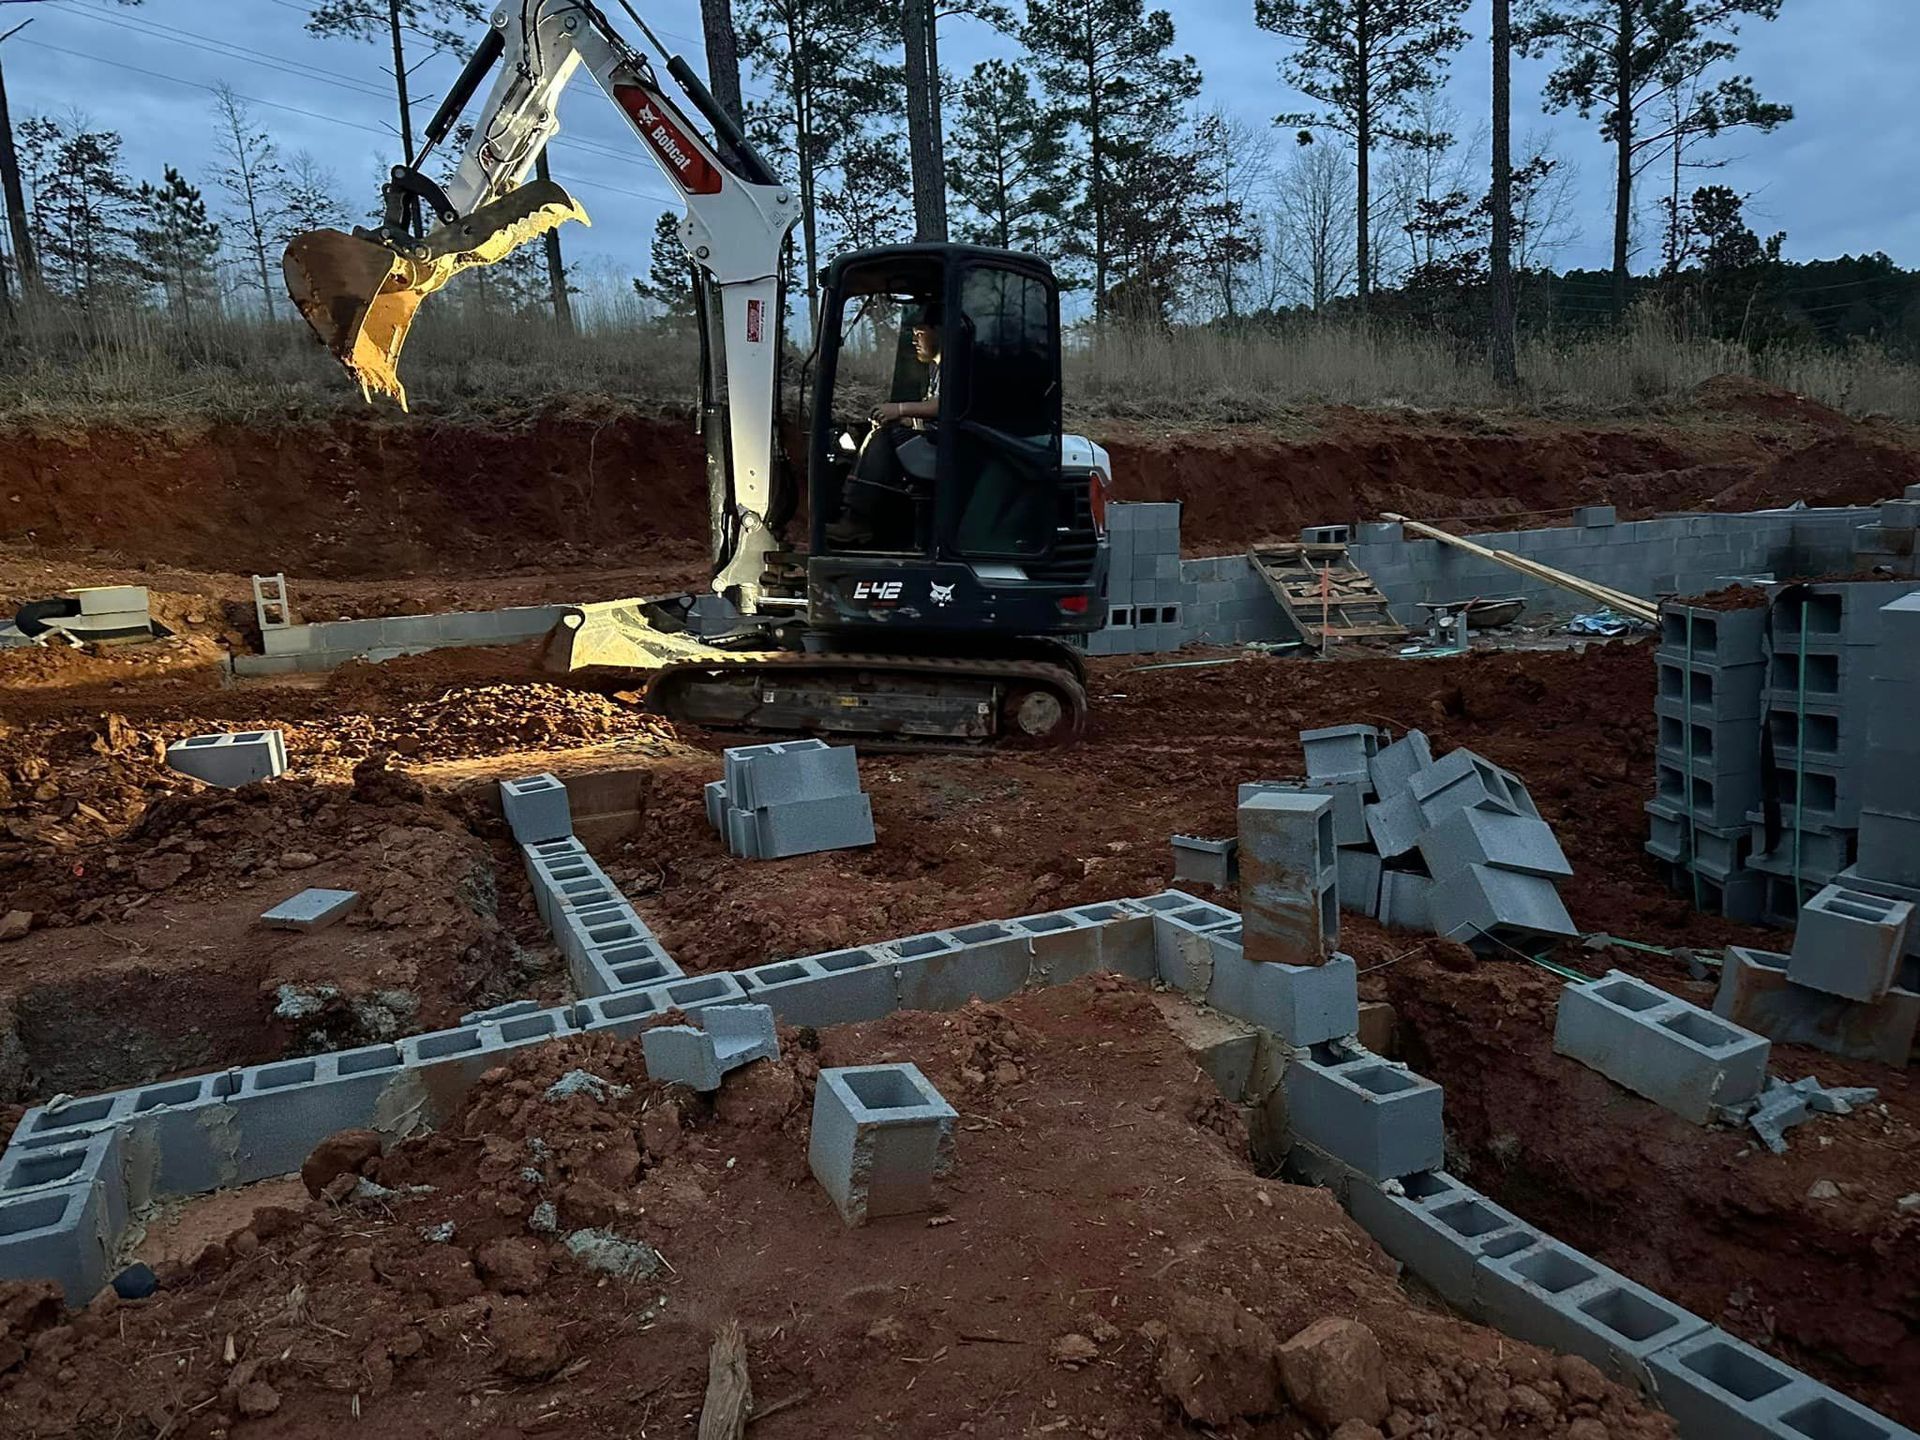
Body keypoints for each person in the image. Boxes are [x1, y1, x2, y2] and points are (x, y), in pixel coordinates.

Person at [826, 302, 943, 547]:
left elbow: (944, 407)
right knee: (870, 431)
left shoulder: (955, 367)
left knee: (883, 436)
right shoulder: (936, 369)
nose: (915, 340)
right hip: (938, 440)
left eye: (920, 333)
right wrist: (903, 418)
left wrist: (899, 409)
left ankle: (857, 519)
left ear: (940, 331)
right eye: (912, 334)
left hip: (948, 449)